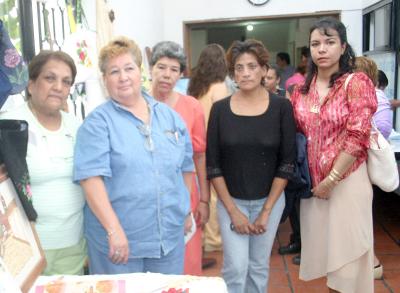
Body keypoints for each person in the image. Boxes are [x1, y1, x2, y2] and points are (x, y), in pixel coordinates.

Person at [73, 36, 194, 275]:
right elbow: (91, 180)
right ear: (104, 80)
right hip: (120, 244)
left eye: (129, 68)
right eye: (114, 71)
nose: (123, 77)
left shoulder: (169, 118)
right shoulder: (98, 123)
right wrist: (113, 230)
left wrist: (185, 210)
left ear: (141, 73)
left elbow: (185, 168)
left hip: (168, 239)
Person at [290, 17, 377, 292]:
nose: (322, 49)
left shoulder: (356, 83)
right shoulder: (300, 91)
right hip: (315, 187)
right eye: (315, 44)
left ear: (343, 47)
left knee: (349, 262)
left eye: (329, 42)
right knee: (329, 261)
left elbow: (358, 135)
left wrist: (333, 179)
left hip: (347, 182)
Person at [207, 39, 296, 293]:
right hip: (230, 201)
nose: (245, 73)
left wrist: (266, 211)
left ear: (264, 69)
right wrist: (233, 210)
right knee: (235, 268)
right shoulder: (220, 110)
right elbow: (213, 165)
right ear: (232, 72)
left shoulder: (281, 107)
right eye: (238, 67)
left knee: (258, 267)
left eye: (252, 66)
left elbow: (287, 162)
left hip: (270, 200)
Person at [0, 50, 86, 275]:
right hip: (23, 249)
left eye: (66, 82)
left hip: (72, 245)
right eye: (50, 78)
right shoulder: (8, 126)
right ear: (31, 84)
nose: (58, 86)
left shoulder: (78, 127)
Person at [149, 40, 210, 276]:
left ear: (181, 75)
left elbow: (200, 156)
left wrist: (204, 199)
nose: (167, 75)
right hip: (151, 196)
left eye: (174, 70)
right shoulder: (139, 104)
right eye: (161, 67)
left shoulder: (192, 107)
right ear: (151, 68)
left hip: (186, 193)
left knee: (189, 259)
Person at [187, 43, 231, 256]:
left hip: (194, 145)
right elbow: (223, 122)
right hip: (212, 145)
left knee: (198, 192)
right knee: (213, 195)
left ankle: (202, 237)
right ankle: (213, 240)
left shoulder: (194, 87)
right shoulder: (220, 87)